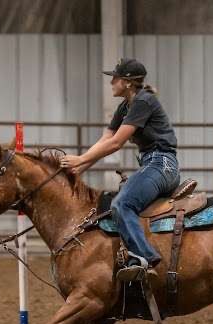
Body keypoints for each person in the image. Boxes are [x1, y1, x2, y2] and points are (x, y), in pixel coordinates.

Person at [60, 58, 180, 282]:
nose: (111, 82)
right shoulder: (125, 107)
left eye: (114, 78)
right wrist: (80, 168)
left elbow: (116, 143)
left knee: (122, 204)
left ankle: (144, 258)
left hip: (162, 164)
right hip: (153, 164)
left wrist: (80, 159)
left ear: (127, 82)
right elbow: (105, 139)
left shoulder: (143, 101)